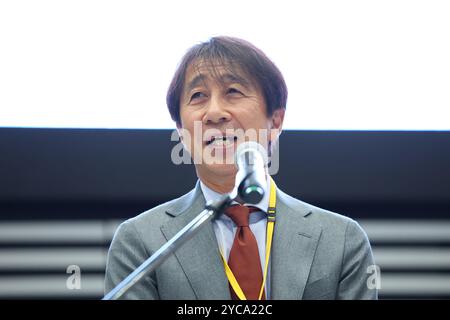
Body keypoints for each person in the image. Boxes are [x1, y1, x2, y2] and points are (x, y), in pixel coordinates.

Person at [104, 36, 378, 300]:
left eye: (233, 92)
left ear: (275, 122)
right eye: (198, 95)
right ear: (181, 130)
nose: (214, 113)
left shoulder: (341, 239)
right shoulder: (141, 242)